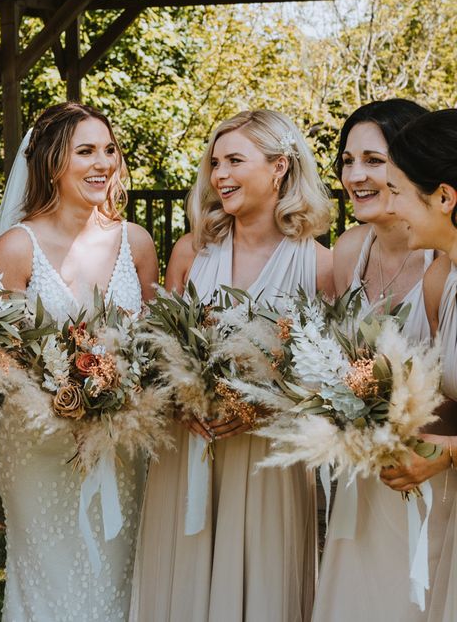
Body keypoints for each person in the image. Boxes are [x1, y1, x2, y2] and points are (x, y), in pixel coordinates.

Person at [130, 109, 334, 622]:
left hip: (268, 457)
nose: (219, 174)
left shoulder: (318, 263)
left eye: (235, 161)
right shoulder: (191, 253)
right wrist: (181, 401)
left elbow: (330, 372)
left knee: (264, 588)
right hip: (189, 446)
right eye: (215, 162)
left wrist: (264, 409)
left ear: (279, 167)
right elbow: (155, 349)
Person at [0, 102, 159, 622]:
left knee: (116, 582)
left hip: (122, 450)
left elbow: (157, 347)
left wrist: (118, 399)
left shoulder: (136, 242)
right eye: (85, 151)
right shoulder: (17, 248)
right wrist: (65, 404)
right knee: (47, 586)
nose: (103, 162)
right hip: (40, 450)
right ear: (51, 164)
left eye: (109, 150)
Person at [312, 99, 455, 621]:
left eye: (374, 160)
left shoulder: (443, 262)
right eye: (347, 161)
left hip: (424, 470)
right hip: (357, 474)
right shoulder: (349, 250)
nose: (356, 175)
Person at [384, 108, 457, 621]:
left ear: (445, 197)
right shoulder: (443, 282)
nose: (390, 208)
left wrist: (446, 455)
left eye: (398, 191)